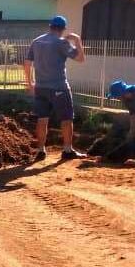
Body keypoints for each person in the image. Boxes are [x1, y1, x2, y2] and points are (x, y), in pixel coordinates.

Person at [24, 15, 87, 161]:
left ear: (50, 26)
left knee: (42, 119)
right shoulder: (61, 42)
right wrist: (77, 40)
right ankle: (67, 150)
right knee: (66, 119)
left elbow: (27, 63)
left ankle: (40, 150)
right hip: (59, 87)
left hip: (40, 87)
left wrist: (30, 83)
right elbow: (80, 59)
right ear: (63, 29)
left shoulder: (37, 41)